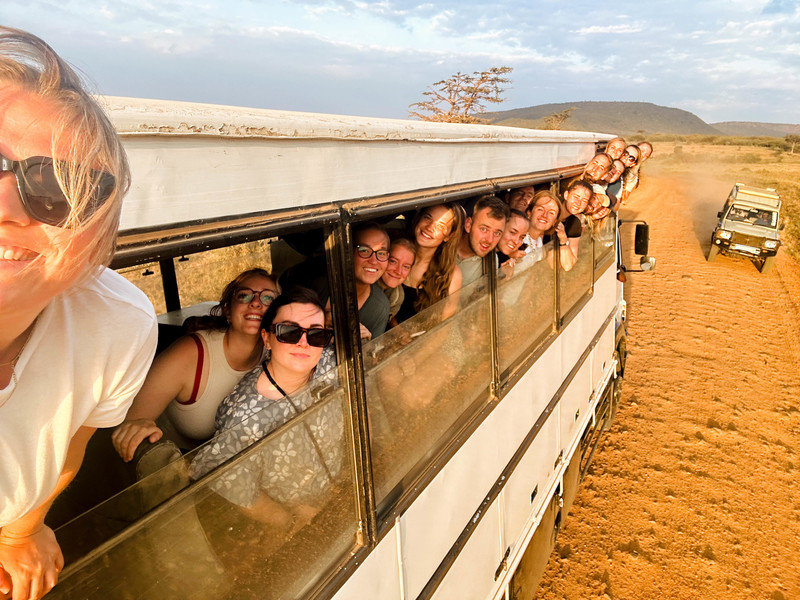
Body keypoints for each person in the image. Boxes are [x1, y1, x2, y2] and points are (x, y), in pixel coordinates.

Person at [0, 27, 158, 600]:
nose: (7, 205)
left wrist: (21, 530)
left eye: (57, 189)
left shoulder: (116, 325)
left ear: (96, 241)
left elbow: (70, 443)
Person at [190, 287, 340, 531]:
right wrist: (288, 521)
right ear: (267, 338)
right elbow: (232, 483)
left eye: (315, 334)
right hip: (305, 519)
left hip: (341, 491)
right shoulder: (244, 415)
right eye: (289, 332)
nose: (304, 343)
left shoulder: (330, 363)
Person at [111, 269, 278, 460]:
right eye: (244, 295)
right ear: (227, 310)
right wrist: (139, 430)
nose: (256, 302)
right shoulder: (190, 354)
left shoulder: (276, 350)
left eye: (268, 298)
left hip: (232, 461)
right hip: (173, 466)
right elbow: (127, 424)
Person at [395, 203, 464, 322]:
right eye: (427, 218)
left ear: (448, 236)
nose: (430, 227)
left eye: (440, 226)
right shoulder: (395, 249)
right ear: (419, 218)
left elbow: (442, 328)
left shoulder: (451, 275)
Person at [348, 223, 391, 340]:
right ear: (349, 252)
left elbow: (372, 355)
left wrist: (366, 342)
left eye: (381, 253)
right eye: (364, 250)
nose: (373, 261)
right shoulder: (320, 285)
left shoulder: (380, 307)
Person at [456, 195, 509, 287]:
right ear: (468, 225)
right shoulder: (443, 246)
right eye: (484, 229)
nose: (489, 240)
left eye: (497, 233)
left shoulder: (490, 261)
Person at [377, 237, 416, 327]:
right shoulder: (365, 285)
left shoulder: (398, 296)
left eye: (406, 266)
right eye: (393, 261)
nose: (398, 271)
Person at [556, 180, 593, 271]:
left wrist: (563, 240)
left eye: (584, 200)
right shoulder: (551, 212)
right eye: (576, 197)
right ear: (566, 195)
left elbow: (568, 265)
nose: (578, 203)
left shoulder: (574, 222)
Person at [496, 209, 529, 278]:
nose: (516, 241)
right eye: (512, 232)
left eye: (521, 237)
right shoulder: (482, 254)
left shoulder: (506, 260)